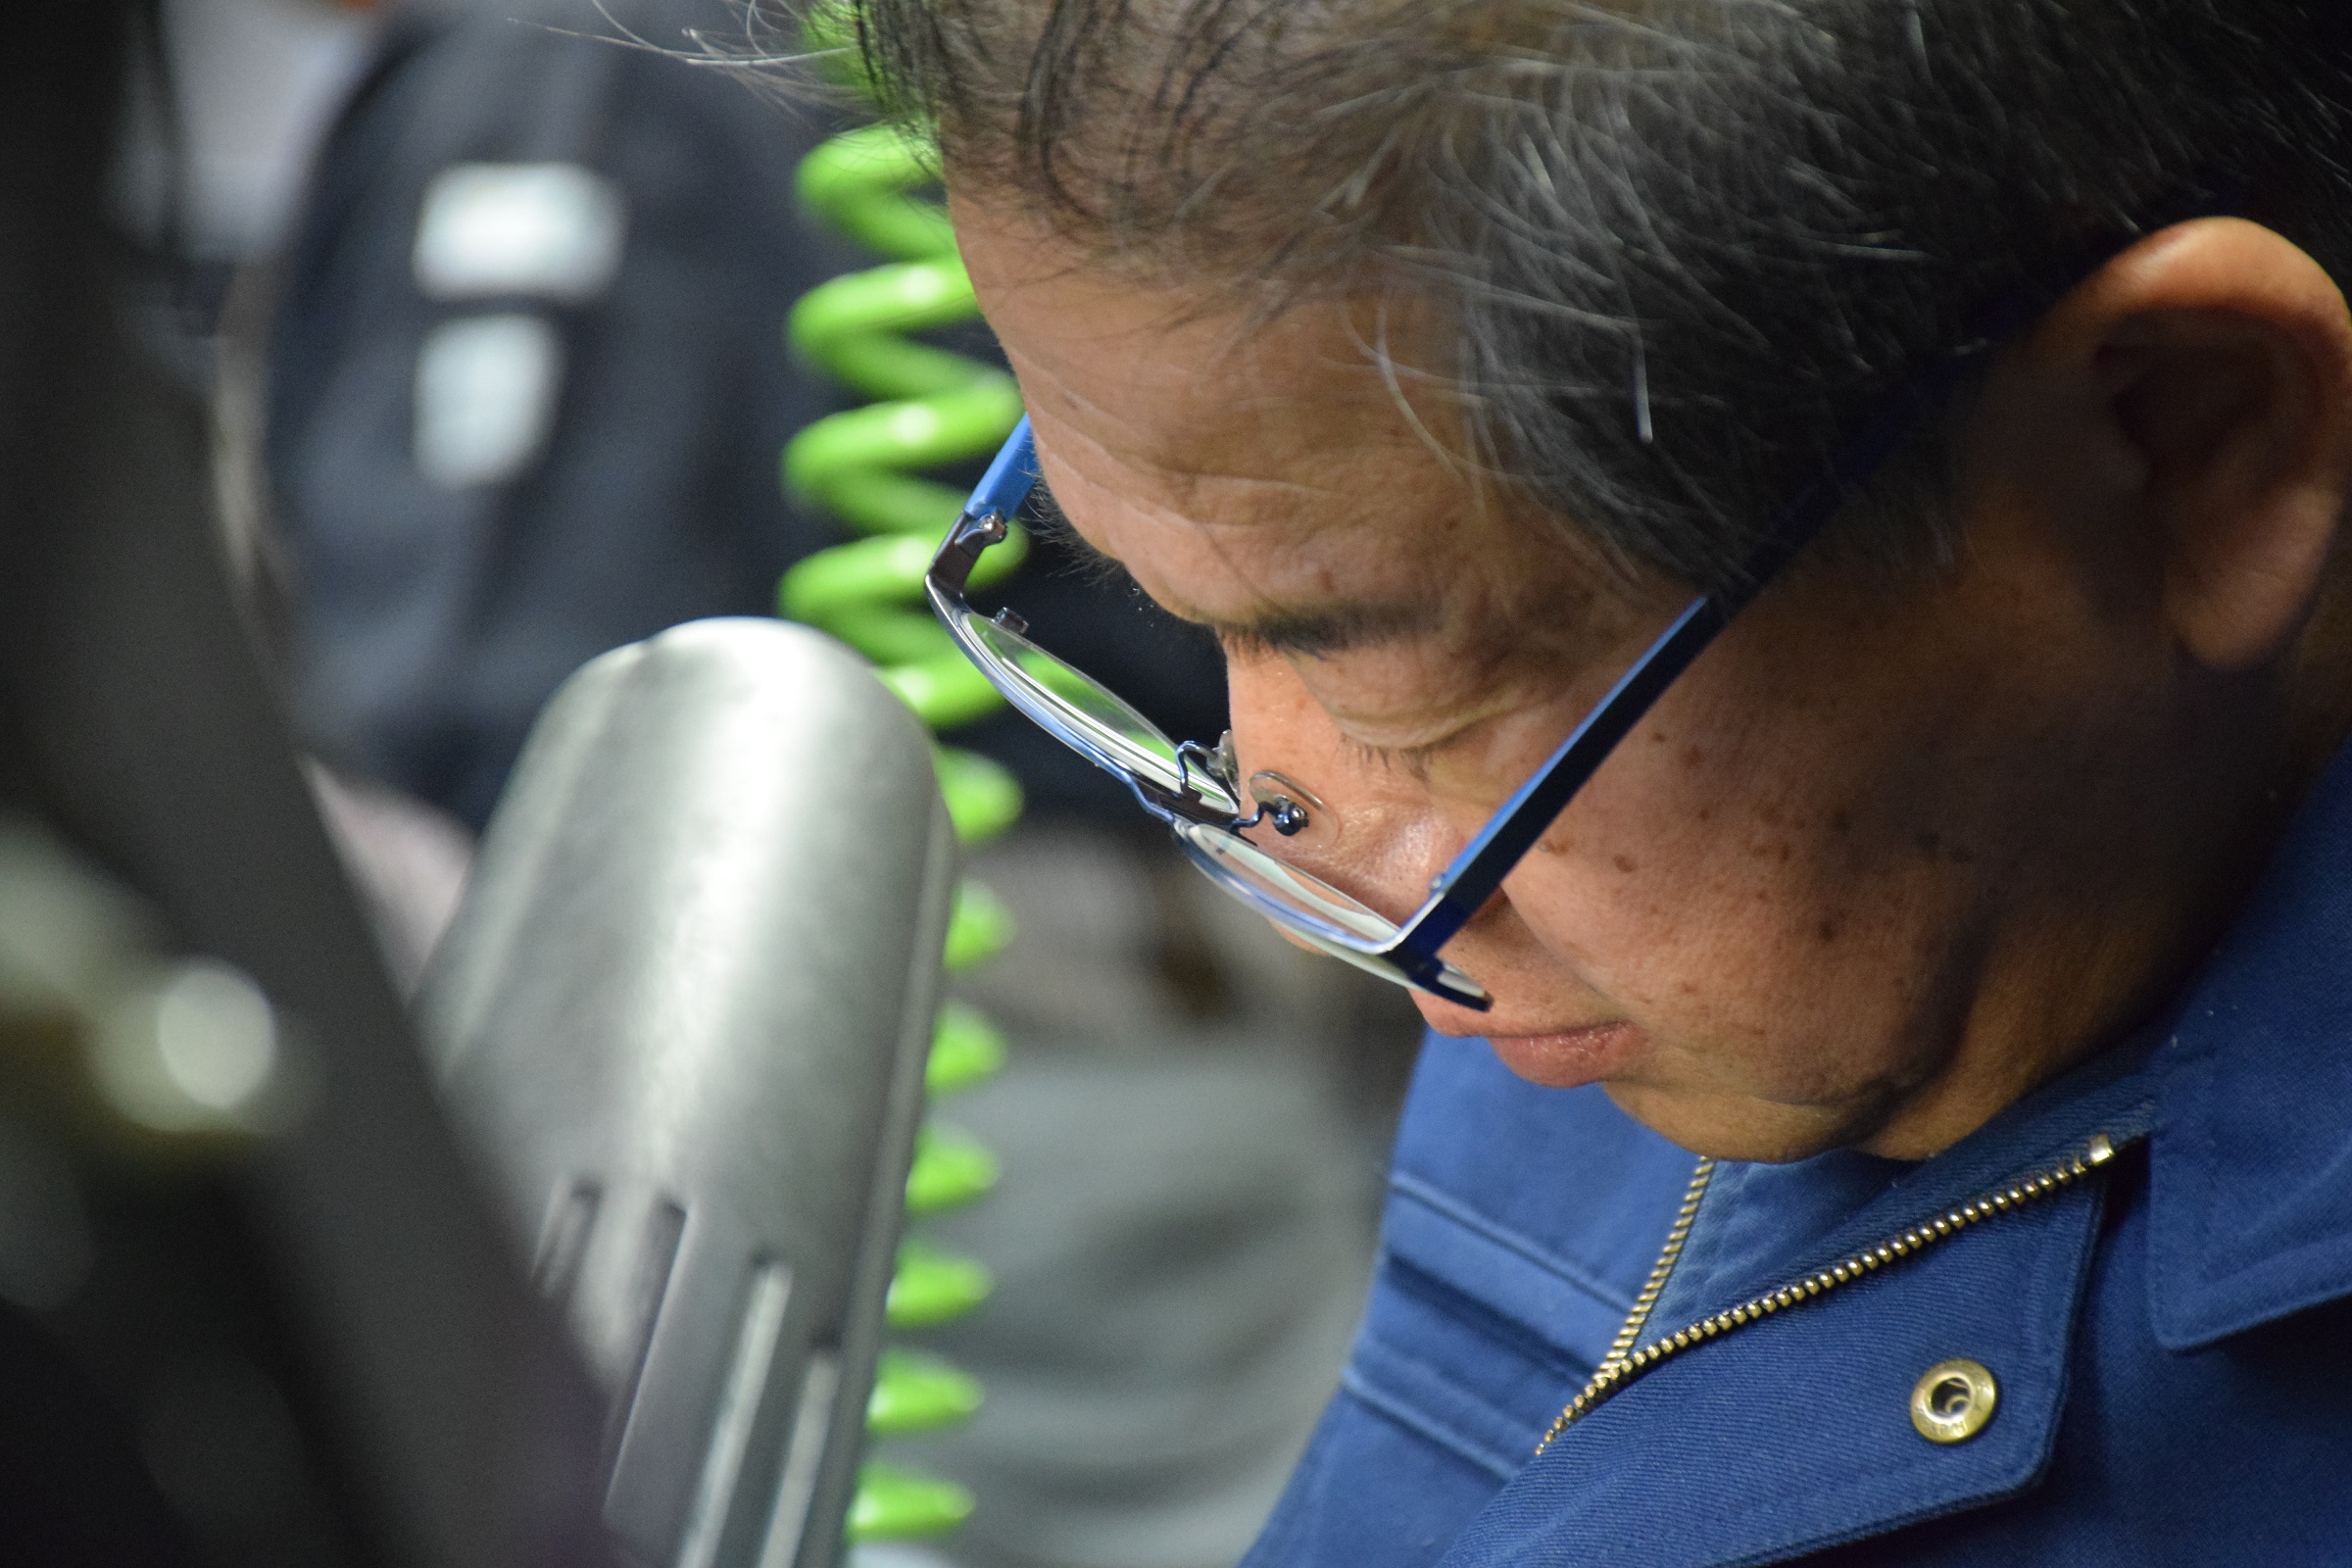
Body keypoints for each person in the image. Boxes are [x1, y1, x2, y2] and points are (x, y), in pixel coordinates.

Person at [764, 1, 2352, 1563]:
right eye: (1182, 614)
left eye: (1426, 691)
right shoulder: (1680, 987)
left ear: (2180, 448)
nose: (1303, 852)